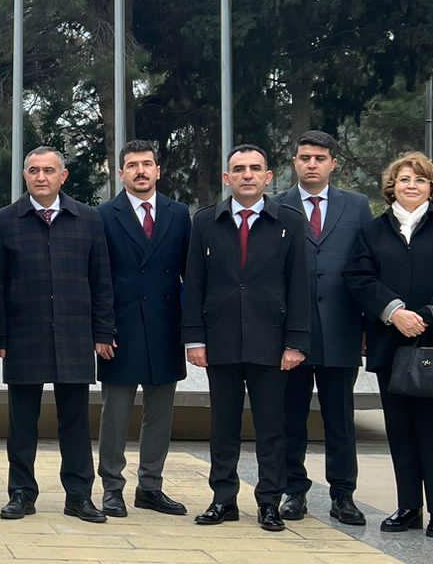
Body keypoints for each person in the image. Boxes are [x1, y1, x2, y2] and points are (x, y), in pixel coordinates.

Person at [345, 152, 433, 536]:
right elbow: (359, 277)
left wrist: (426, 317)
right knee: (399, 430)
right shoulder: (372, 232)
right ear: (392, 187)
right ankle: (408, 507)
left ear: (432, 187)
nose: (412, 186)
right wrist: (394, 312)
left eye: (420, 180)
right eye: (404, 179)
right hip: (390, 345)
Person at [184, 144, 313, 532]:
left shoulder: (289, 222)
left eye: (255, 168)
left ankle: (269, 501)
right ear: (227, 178)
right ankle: (223, 499)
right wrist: (194, 339)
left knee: (271, 427)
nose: (247, 175)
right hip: (220, 341)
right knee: (223, 426)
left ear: (268, 177)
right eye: (239, 169)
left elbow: (300, 285)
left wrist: (296, 342)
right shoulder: (205, 221)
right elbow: (194, 283)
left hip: (270, 342)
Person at [0, 147, 116, 523]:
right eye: (33, 170)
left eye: (48, 170)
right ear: (24, 176)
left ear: (64, 176)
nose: (41, 177)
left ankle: (79, 496)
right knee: (22, 421)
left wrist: (103, 331)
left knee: (75, 421)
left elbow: (101, 280)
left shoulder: (88, 219)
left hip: (74, 333)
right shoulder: (3, 222)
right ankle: (21, 493)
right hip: (23, 334)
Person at [281, 132, 371, 527]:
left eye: (319, 158)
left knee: (340, 419)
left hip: (341, 328)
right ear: (294, 163)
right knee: (291, 417)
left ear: (333, 163)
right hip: (291, 334)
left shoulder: (357, 206)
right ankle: (293, 491)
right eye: (304, 158)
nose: (312, 164)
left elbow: (367, 265)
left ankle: (343, 495)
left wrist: (367, 324)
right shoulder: (277, 205)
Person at [97, 140, 191, 517]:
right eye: (133, 165)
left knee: (160, 415)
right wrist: (102, 329)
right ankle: (112, 487)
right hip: (121, 330)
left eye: (147, 164)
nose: (140, 171)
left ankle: (150, 486)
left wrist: (191, 331)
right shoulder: (104, 215)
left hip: (166, 328)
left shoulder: (178, 214)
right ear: (121, 173)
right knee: (115, 414)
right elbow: (99, 277)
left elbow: (189, 275)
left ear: (158, 171)